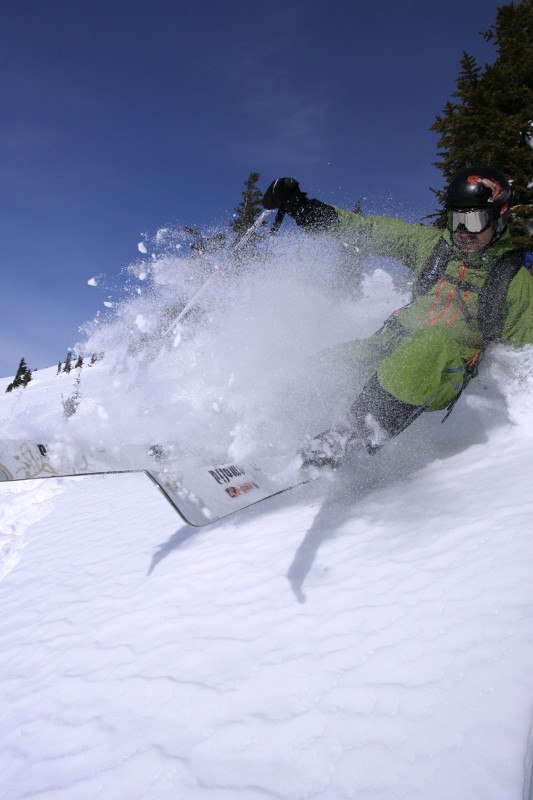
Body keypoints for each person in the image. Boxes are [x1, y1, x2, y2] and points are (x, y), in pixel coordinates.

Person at [262, 166, 533, 468]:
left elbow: (524, 360)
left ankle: (349, 438)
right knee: (323, 368)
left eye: (473, 219)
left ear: (500, 216)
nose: (462, 231)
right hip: (391, 348)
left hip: (444, 374)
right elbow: (369, 232)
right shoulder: (432, 247)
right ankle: (264, 439)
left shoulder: (516, 283)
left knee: (433, 342)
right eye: (456, 219)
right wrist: (303, 208)